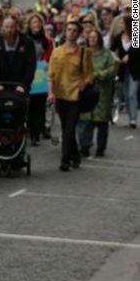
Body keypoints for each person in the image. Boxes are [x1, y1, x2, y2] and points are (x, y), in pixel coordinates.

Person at [48, 20, 93, 171]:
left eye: (74, 30)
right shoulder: (57, 51)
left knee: (69, 128)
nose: (71, 32)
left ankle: (65, 160)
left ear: (78, 34)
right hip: (60, 95)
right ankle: (76, 156)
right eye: (69, 30)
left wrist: (84, 83)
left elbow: (89, 75)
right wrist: (50, 92)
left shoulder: (83, 53)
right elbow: (51, 75)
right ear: (65, 32)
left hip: (75, 96)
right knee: (66, 127)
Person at [78, 26, 116, 158]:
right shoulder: (83, 52)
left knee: (101, 122)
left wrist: (98, 74)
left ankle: (101, 147)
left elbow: (112, 70)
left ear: (99, 39)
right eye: (90, 37)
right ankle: (85, 146)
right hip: (86, 91)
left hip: (102, 91)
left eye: (95, 37)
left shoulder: (106, 54)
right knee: (85, 120)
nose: (92, 39)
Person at [25, 13, 54, 143]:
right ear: (29, 25)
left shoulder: (46, 40)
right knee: (29, 105)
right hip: (28, 73)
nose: (36, 25)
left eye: (38, 22)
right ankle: (31, 130)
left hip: (41, 74)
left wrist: (48, 64)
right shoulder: (25, 39)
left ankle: (36, 133)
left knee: (40, 104)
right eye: (33, 22)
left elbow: (50, 56)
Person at [110, 24, 138, 128]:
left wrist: (130, 55)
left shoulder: (136, 35)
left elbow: (137, 50)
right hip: (123, 69)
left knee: (132, 93)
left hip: (135, 70)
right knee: (126, 94)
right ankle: (131, 117)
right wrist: (117, 59)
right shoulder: (119, 36)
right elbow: (111, 49)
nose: (121, 25)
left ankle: (133, 119)